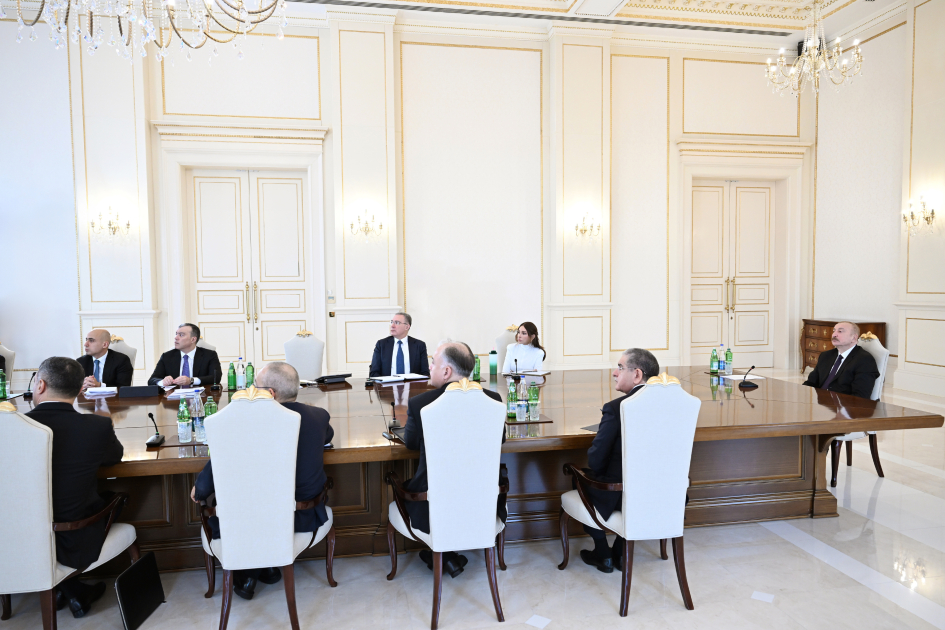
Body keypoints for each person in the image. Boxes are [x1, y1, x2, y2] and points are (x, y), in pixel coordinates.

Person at [191, 362, 333, 601]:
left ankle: (251, 572)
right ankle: (265, 567)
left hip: (251, 520)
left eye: (255, 386)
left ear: (271, 393)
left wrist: (201, 487)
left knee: (238, 504)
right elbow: (327, 435)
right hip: (302, 515)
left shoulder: (247, 423)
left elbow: (210, 477)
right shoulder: (318, 416)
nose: (252, 391)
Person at [25, 357, 124, 618]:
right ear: (80, 388)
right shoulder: (97, 426)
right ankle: (72, 588)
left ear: (40, 385)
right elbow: (114, 458)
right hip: (74, 537)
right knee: (117, 498)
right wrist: (106, 424)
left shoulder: (14, 428)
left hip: (21, 536)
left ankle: (68, 589)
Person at [402, 341, 506, 578]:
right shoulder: (493, 399)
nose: (430, 367)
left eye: (433, 363)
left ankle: (443, 555)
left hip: (432, 507)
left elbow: (410, 444)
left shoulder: (420, 403)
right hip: (483, 504)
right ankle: (446, 557)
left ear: (447, 371)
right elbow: (499, 439)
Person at [579, 348, 660, 574]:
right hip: (659, 494)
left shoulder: (616, 408)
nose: (615, 373)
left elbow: (595, 461)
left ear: (637, 375)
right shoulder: (673, 406)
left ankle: (602, 552)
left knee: (580, 478)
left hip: (618, 495)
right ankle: (621, 551)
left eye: (620, 367)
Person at [803, 321, 879, 399]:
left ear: (854, 338)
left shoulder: (864, 360)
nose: (834, 334)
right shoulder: (826, 355)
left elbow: (860, 396)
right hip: (819, 402)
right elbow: (811, 382)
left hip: (841, 404)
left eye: (840, 331)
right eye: (834, 331)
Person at [149, 323, 222, 387]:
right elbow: (152, 380)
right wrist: (162, 382)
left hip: (200, 396)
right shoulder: (167, 356)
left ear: (193, 339)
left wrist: (191, 380)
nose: (176, 338)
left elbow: (216, 377)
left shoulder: (209, 355)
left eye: (181, 335)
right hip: (174, 397)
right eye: (176, 334)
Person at [369, 312, 430, 378]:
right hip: (387, 384)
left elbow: (425, 373)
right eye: (392, 322)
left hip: (412, 384)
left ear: (407, 327)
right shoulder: (381, 345)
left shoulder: (419, 345)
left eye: (397, 322)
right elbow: (374, 372)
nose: (392, 326)